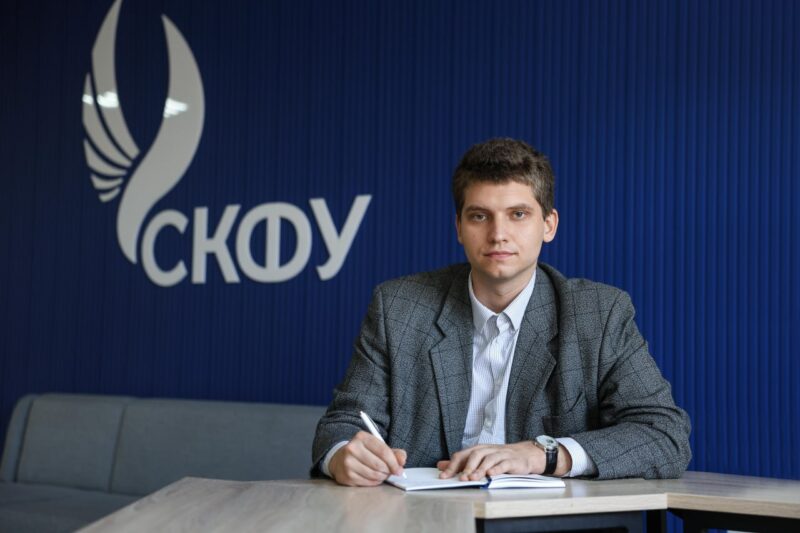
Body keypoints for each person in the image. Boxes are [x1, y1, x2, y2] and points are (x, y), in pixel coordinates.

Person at [312, 138, 691, 486]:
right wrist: (343, 455)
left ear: (549, 225)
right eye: (479, 216)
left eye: (518, 214)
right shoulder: (399, 308)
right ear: (459, 227)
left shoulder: (597, 314)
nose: (498, 234)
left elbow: (664, 434)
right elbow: (342, 423)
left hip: (549, 524)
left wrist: (544, 454)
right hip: (424, 520)